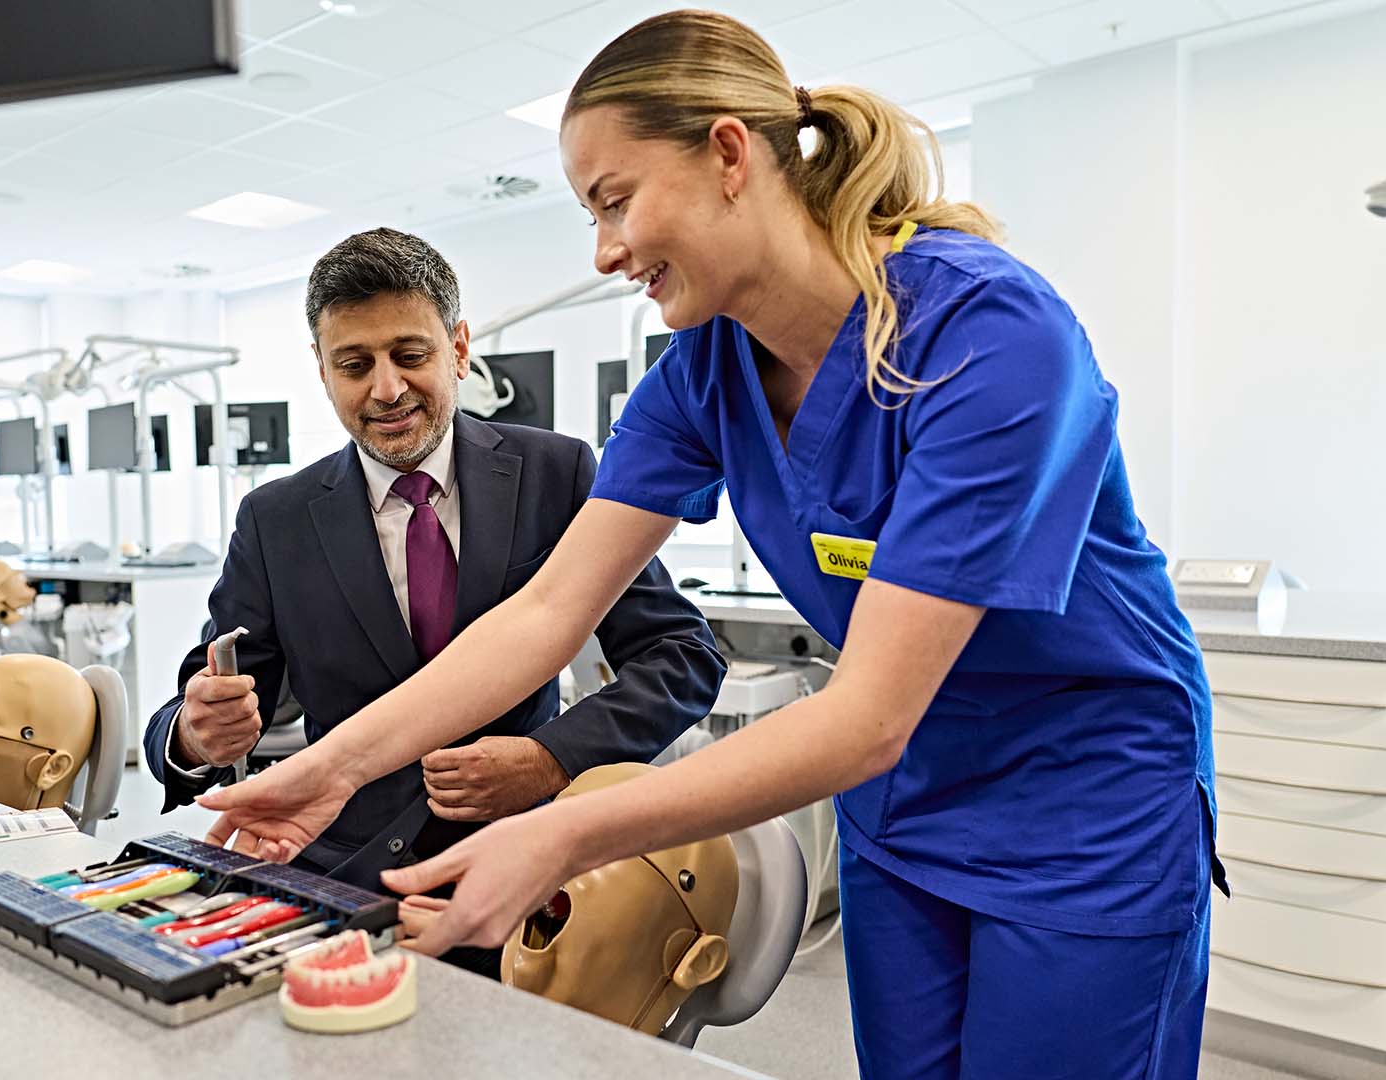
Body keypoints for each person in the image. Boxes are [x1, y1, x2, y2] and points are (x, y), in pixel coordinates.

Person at [200, 11, 1224, 1077]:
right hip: (907, 808)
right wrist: (327, 768)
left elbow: (868, 714)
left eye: (615, 201)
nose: (605, 250)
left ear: (729, 154)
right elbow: (550, 615)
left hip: (1081, 806)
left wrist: (566, 829)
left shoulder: (988, 338)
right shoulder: (701, 374)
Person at [145, 227, 726, 971]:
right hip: (339, 876)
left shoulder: (557, 473)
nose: (386, 389)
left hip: (521, 874)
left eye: (410, 356)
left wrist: (552, 757)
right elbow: (205, 701)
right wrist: (195, 735)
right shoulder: (277, 517)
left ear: (458, 348)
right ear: (322, 373)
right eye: (354, 365)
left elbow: (681, 656)